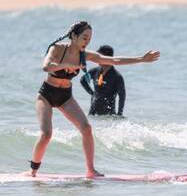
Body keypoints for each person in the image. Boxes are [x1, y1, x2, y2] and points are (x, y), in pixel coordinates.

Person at [31, 21, 160, 177]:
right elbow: (46, 66)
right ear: (73, 36)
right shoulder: (57, 49)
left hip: (65, 96)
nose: (87, 42)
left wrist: (141, 59)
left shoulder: (85, 55)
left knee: (86, 128)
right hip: (46, 94)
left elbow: (113, 61)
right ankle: (33, 171)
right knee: (46, 134)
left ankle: (90, 170)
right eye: (84, 37)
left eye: (89, 39)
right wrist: (66, 64)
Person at [80, 45, 126, 116]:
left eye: (99, 56)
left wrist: (120, 114)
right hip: (93, 114)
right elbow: (83, 80)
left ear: (106, 57)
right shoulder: (95, 71)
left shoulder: (117, 76)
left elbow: (122, 96)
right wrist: (92, 93)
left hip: (108, 116)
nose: (96, 59)